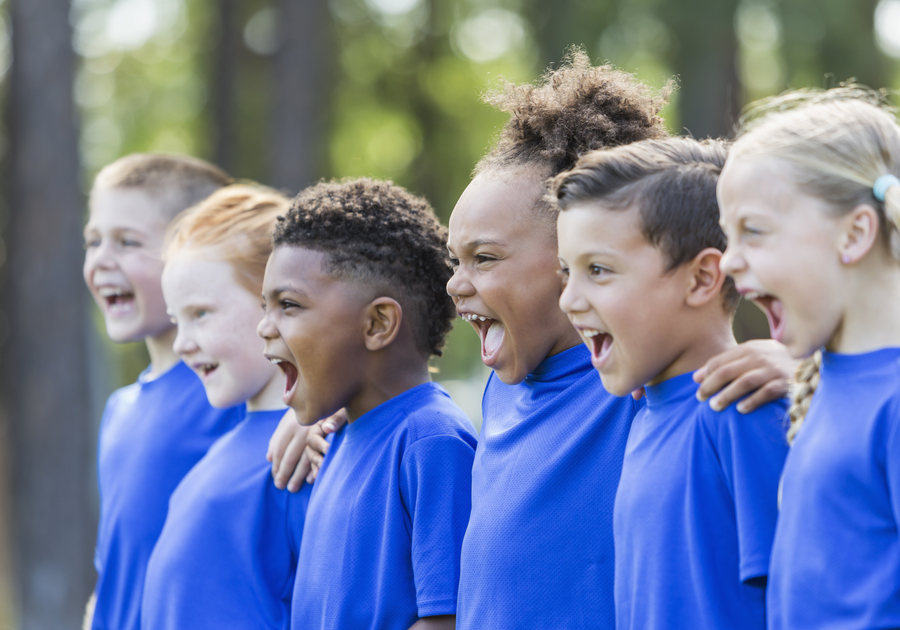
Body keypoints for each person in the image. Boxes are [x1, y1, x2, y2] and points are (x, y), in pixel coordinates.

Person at [443, 50, 795, 629]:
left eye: (484, 258)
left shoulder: (638, 388)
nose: (457, 283)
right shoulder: (506, 392)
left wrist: (807, 376)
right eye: (454, 259)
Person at [553, 137, 788, 629]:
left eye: (598, 270)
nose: (569, 299)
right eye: (566, 272)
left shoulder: (745, 410)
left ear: (702, 278)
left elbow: (797, 603)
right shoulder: (644, 411)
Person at [258, 178, 477, 630]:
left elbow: (448, 620)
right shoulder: (339, 437)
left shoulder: (432, 440)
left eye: (289, 305)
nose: (264, 327)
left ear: (378, 323)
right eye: (266, 306)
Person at [718, 88, 900, 629]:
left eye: (753, 231)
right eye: (728, 236)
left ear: (854, 233)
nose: (728, 260)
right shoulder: (823, 385)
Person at [83, 154, 245, 630]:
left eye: (127, 242)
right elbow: (116, 566)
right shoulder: (120, 410)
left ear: (193, 250)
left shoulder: (231, 392)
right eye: (93, 240)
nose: (101, 261)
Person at [140, 184, 311, 628]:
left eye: (201, 314)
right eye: (177, 320)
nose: (181, 344)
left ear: (278, 301)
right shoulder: (227, 436)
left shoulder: (304, 454)